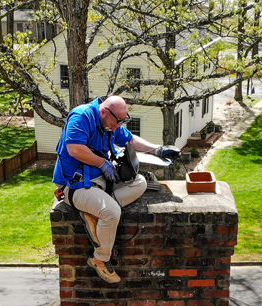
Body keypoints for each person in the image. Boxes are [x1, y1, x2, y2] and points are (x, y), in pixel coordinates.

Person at [53, 95, 180, 283]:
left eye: (120, 123)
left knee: (140, 183)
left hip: (101, 182)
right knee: (111, 212)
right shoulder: (81, 117)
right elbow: (74, 149)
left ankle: (94, 212)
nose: (116, 127)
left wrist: (158, 149)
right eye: (115, 123)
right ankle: (100, 258)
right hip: (76, 186)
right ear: (103, 112)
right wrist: (102, 163)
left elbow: (130, 140)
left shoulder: (110, 123)